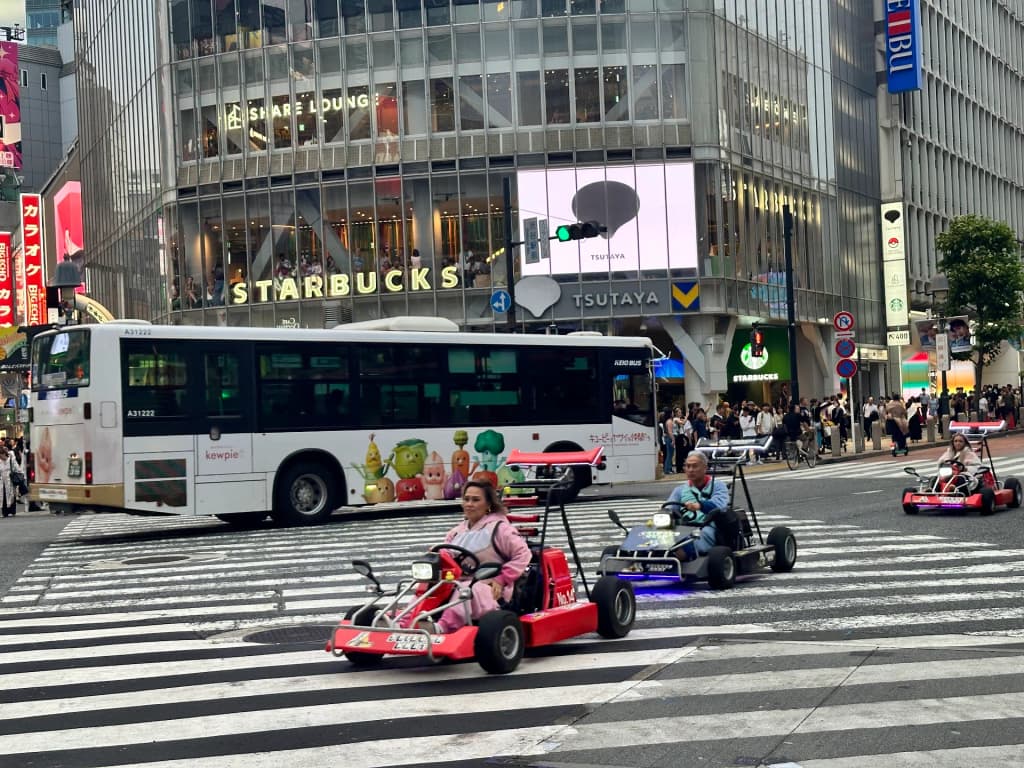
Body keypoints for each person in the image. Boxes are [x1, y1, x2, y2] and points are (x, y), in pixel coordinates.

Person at [433, 480, 532, 633]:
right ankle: (407, 622)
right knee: (430, 586)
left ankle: (443, 627)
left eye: (475, 500)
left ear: (488, 504)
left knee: (467, 589)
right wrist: (435, 555)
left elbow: (523, 554)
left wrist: (501, 578)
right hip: (458, 580)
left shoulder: (500, 529)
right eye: (466, 499)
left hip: (491, 585)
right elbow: (446, 553)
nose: (469, 504)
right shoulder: (457, 532)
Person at [666, 452, 730, 557]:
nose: (690, 470)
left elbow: (720, 506)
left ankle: (683, 553)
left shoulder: (718, 486)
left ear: (705, 468)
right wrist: (665, 514)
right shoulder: (680, 490)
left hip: (710, 526)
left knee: (697, 536)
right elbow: (669, 508)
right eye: (688, 466)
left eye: (695, 466)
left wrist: (700, 506)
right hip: (685, 526)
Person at [0, 444, 22, 518]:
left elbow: (17, 469)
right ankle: (4, 512)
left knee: (11, 495)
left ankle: (12, 511)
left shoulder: (11, 460)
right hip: (2, 481)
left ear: (4, 454)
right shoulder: (0, 461)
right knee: (3, 496)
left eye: (1, 456)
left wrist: (13, 473)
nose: (1, 458)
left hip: (10, 481)